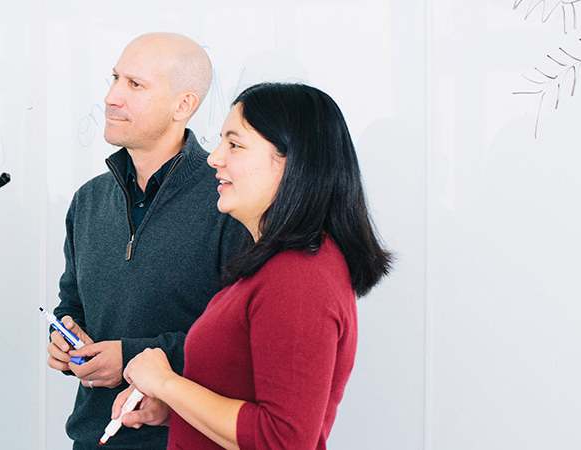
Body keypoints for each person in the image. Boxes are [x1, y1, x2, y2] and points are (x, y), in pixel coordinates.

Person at [111, 82, 393, 450]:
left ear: (293, 162)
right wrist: (171, 407)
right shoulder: (271, 264)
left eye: (235, 144)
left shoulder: (299, 276)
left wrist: (167, 383)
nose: (215, 158)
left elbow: (282, 440)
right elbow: (243, 401)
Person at [47, 32, 248, 450]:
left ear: (184, 105)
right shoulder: (88, 200)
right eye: (115, 78)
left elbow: (241, 339)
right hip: (94, 437)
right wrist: (67, 341)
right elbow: (73, 304)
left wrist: (131, 357)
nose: (112, 96)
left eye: (135, 85)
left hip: (185, 440)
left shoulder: (230, 202)